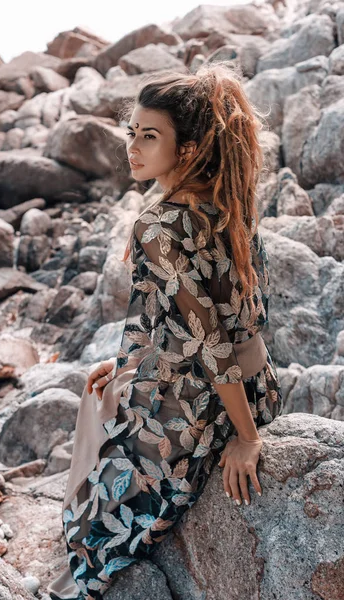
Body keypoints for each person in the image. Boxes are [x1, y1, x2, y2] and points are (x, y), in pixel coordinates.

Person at [47, 61, 283, 600]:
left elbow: (208, 341)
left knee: (92, 531)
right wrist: (130, 361)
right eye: (131, 132)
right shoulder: (232, 200)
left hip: (202, 411)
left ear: (189, 149)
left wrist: (247, 440)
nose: (133, 146)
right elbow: (222, 318)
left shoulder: (157, 225)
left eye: (149, 136)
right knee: (106, 387)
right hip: (258, 386)